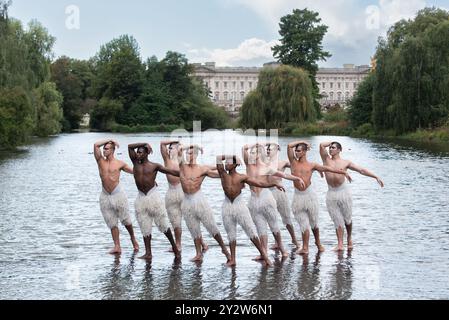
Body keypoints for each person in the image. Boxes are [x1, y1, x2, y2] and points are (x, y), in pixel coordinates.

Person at [216, 155, 283, 267]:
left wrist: (274, 184)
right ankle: (233, 259)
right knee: (231, 234)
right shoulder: (223, 174)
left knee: (251, 231)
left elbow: (259, 183)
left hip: (239, 205)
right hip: (227, 206)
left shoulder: (242, 177)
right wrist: (230, 156)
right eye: (226, 162)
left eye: (229, 162)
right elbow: (218, 158)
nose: (226, 164)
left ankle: (265, 256)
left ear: (235, 164)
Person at [287, 141, 352, 255]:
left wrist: (343, 173)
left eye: (298, 150)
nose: (296, 153)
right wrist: (303, 142)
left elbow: (327, 169)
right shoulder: (293, 162)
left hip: (309, 196)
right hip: (298, 197)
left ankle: (318, 243)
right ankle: (305, 247)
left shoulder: (312, 165)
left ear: (304, 152)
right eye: (295, 151)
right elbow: (289, 146)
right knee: (304, 224)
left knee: (314, 223)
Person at [242, 143, 305, 259]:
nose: (251, 154)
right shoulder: (249, 165)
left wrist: (297, 178)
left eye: (254, 153)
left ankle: (282, 248)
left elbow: (284, 175)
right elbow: (244, 148)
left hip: (266, 198)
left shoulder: (266, 167)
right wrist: (256, 145)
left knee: (274, 226)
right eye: (251, 153)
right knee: (260, 227)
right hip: (253, 200)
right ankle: (264, 252)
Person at [320, 141, 384, 251]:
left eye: (333, 147)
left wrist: (375, 176)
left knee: (347, 219)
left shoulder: (345, 162)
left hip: (343, 192)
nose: (330, 149)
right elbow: (321, 145)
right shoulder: (326, 159)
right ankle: (340, 244)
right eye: (330, 147)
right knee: (337, 219)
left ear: (339, 150)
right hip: (331, 193)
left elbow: (361, 170)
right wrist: (331, 142)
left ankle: (349, 238)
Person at [178, 145, 231, 263]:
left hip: (199, 200)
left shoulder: (202, 169)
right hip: (187, 201)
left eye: (192, 153)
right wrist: (194, 146)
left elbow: (220, 174)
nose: (189, 155)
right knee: (194, 229)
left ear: (196, 155)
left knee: (212, 227)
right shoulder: (182, 167)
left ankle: (224, 249)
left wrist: (228, 174)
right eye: (188, 153)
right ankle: (198, 253)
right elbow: (179, 150)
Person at [128, 143, 181, 261]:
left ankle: (175, 248)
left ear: (147, 153)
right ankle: (148, 253)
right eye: (137, 152)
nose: (138, 154)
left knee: (163, 225)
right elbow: (129, 146)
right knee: (144, 226)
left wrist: (185, 174)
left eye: (141, 152)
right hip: (141, 198)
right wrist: (144, 144)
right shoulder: (135, 163)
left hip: (153, 197)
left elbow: (171, 172)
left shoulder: (154, 166)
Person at [94, 139, 139, 255]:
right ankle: (117, 246)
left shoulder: (120, 163)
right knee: (111, 222)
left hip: (118, 194)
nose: (104, 150)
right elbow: (96, 145)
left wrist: (150, 180)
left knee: (126, 220)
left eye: (107, 148)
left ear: (113, 150)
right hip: (105, 195)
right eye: (104, 148)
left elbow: (135, 172)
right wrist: (111, 140)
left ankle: (133, 238)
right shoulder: (100, 161)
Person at [265, 143, 299, 249]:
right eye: (267, 150)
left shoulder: (283, 163)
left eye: (270, 149)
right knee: (271, 218)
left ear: (277, 151)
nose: (268, 151)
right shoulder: (264, 163)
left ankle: (294, 239)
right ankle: (277, 242)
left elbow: (296, 163)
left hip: (279, 192)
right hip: (267, 192)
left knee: (286, 217)